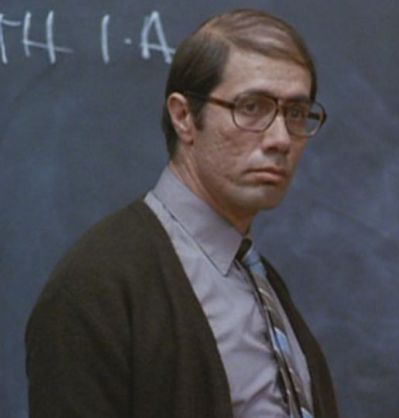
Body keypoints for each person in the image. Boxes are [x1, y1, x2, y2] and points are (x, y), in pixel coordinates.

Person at [25, 9, 338, 418]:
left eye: (295, 113)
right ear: (184, 116)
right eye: (252, 107)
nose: (280, 138)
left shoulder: (259, 281)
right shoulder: (95, 286)